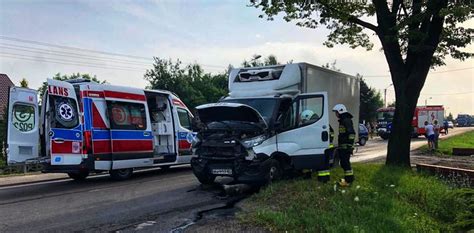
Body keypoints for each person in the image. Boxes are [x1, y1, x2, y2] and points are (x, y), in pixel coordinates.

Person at [333, 104, 356, 186]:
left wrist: (349, 145)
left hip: (346, 147)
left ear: (340, 111)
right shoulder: (343, 120)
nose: (336, 114)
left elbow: (351, 133)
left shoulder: (346, 120)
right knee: (344, 163)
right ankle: (349, 179)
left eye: (336, 112)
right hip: (343, 146)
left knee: (345, 163)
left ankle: (349, 181)